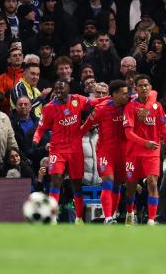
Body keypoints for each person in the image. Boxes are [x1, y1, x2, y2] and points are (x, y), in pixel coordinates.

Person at [32, 80, 108, 224]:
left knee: (76, 184)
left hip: (75, 150)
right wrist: (36, 139)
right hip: (57, 150)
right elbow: (41, 128)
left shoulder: (77, 100)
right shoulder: (49, 108)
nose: (59, 92)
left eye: (62, 89)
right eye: (57, 89)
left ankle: (79, 217)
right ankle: (52, 216)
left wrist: (109, 98)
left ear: (69, 90)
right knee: (55, 180)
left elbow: (93, 102)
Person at [122, 75, 166, 226]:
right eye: (141, 86)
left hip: (152, 152)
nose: (144, 88)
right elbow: (128, 134)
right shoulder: (130, 107)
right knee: (131, 188)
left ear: (150, 87)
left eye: (146, 85)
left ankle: (152, 220)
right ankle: (129, 212)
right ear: (136, 88)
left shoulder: (157, 106)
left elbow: (164, 131)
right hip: (133, 152)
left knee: (152, 183)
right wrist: (146, 143)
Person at [79, 79, 130, 224]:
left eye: (128, 93)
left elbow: (152, 94)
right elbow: (84, 127)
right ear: (114, 94)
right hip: (105, 152)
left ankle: (112, 215)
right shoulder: (101, 109)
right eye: (124, 94)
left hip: (123, 153)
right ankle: (107, 217)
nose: (127, 96)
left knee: (117, 185)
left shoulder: (130, 105)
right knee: (108, 182)